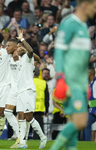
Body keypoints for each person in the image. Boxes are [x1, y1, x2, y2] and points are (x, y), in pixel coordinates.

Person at [50, 0, 96, 150]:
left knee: (74, 123)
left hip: (81, 82)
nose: (95, 10)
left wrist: (86, 83)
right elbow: (59, 52)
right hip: (70, 81)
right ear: (85, 5)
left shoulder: (84, 26)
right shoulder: (69, 23)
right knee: (80, 122)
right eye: (94, 6)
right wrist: (60, 78)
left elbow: (82, 60)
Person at [16, 30, 47, 149]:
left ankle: (43, 137)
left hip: (28, 91)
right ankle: (23, 142)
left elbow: (31, 51)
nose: (18, 49)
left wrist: (22, 39)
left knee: (29, 117)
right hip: (20, 92)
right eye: (17, 48)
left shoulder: (28, 58)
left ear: (24, 48)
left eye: (20, 47)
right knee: (21, 117)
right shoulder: (20, 61)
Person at [33, 67, 49, 140]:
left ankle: (23, 140)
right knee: (39, 125)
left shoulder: (29, 81)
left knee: (27, 125)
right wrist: (47, 109)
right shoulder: (43, 83)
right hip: (40, 107)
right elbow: (47, 98)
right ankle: (38, 139)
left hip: (30, 107)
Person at [84, 67, 96, 141]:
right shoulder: (91, 83)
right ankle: (87, 143)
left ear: (90, 74)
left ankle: (87, 142)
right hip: (92, 109)